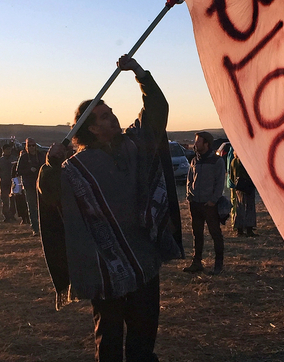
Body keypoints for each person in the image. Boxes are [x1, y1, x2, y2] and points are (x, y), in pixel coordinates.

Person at [37, 55, 183, 362]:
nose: (112, 118)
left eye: (112, 112)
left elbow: (156, 112)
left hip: (143, 260)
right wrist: (50, 165)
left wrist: (140, 74)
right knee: (110, 342)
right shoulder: (74, 168)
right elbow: (49, 192)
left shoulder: (134, 145)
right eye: (103, 116)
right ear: (89, 128)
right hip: (106, 271)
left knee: (144, 337)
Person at [184, 131, 226, 275]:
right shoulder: (194, 161)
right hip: (195, 204)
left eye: (198, 141)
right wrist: (190, 195)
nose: (195, 144)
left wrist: (213, 201)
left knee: (215, 234)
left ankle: (218, 265)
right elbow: (189, 179)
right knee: (197, 234)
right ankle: (197, 263)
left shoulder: (217, 161)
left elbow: (220, 183)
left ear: (206, 143)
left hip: (209, 205)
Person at [16, 138, 45, 235]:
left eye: (33, 145)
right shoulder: (24, 157)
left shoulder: (41, 156)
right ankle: (36, 229)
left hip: (40, 184)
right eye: (30, 146)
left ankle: (43, 228)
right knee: (32, 207)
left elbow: (46, 167)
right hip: (29, 185)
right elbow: (18, 171)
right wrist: (29, 170)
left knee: (42, 206)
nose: (32, 147)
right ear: (26, 147)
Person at [229, 150, 257, 237]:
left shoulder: (234, 161)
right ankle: (249, 229)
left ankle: (239, 229)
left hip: (239, 187)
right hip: (248, 186)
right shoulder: (245, 161)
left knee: (239, 207)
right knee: (249, 207)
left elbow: (231, 175)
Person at [0, 144, 16, 222]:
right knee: (5, 200)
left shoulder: (14, 159)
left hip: (13, 182)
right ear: (3, 150)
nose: (8, 151)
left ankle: (12, 214)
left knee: (13, 200)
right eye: (7, 149)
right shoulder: (1, 161)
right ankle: (6, 215)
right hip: (4, 182)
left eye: (9, 149)